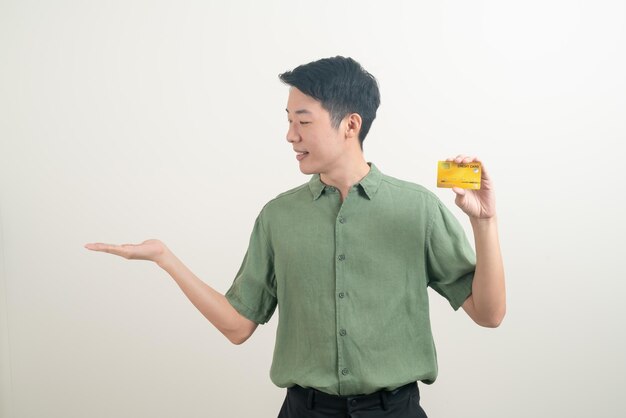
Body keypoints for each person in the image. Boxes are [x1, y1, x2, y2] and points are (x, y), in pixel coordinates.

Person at [85, 56, 505, 418]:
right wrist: (165, 258)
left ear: (350, 125)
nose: (290, 135)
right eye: (288, 122)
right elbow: (237, 326)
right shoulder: (278, 217)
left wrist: (483, 223)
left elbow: (489, 314)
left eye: (303, 121)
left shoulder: (418, 209)